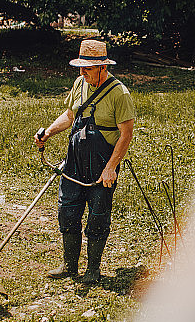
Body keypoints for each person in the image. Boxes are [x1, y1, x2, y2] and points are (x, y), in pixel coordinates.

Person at [35, 39, 135, 284]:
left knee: (98, 216)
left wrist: (111, 167)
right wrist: (48, 132)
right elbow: (70, 115)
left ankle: (93, 269)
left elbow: (126, 134)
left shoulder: (119, 93)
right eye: (80, 67)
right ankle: (69, 266)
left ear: (102, 67)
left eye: (87, 68)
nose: (82, 72)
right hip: (75, 160)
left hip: (102, 163)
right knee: (67, 211)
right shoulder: (80, 83)